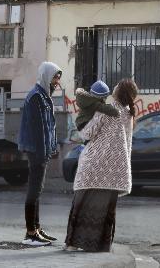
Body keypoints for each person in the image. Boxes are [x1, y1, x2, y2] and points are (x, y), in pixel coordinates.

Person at [64, 78, 137, 253]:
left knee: (82, 206)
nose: (114, 87)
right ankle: (101, 245)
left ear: (119, 92)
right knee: (105, 211)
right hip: (115, 171)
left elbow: (87, 134)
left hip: (93, 166)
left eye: (117, 86)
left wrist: (81, 119)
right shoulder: (129, 114)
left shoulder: (107, 111)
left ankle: (74, 243)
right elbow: (128, 144)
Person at [16, 62, 62, 246]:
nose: (57, 82)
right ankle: (30, 233)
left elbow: (50, 127)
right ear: (46, 76)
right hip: (37, 150)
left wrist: (52, 148)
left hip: (41, 150)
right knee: (34, 190)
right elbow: (39, 130)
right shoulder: (36, 97)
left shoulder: (43, 95)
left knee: (38, 190)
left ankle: (37, 228)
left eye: (58, 78)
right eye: (55, 77)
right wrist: (45, 153)